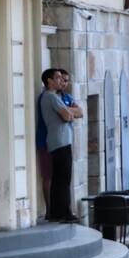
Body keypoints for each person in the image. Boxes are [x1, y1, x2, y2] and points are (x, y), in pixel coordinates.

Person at [39, 68, 79, 223]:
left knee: (57, 179)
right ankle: (64, 212)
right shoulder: (52, 97)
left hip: (55, 141)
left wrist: (69, 113)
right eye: (57, 77)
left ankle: (56, 212)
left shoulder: (48, 97)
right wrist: (69, 114)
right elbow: (67, 116)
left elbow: (72, 113)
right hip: (61, 141)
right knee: (64, 179)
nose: (61, 80)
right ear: (49, 80)